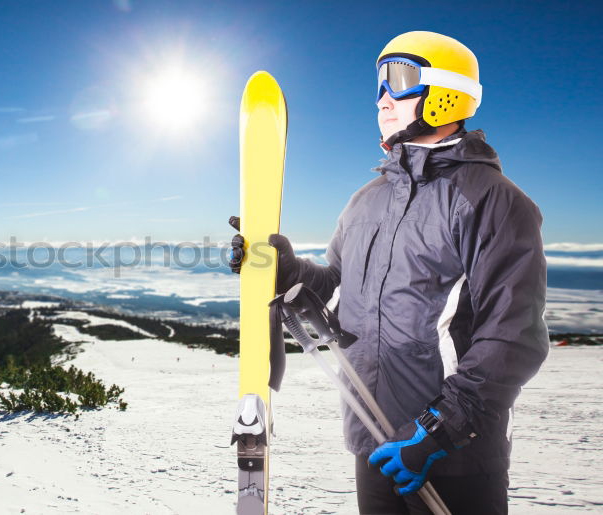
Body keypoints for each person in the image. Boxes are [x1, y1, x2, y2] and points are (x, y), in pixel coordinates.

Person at [230, 31, 548, 514]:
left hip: (453, 450)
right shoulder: (366, 201)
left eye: (398, 80)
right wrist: (284, 270)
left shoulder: (492, 201)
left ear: (447, 93)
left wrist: (438, 430)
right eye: (378, 83)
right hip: (372, 437)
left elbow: (513, 335)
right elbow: (335, 287)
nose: (382, 98)